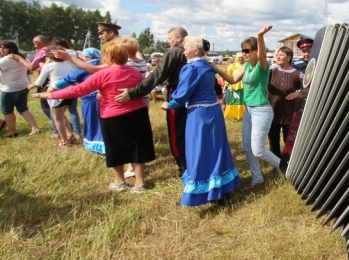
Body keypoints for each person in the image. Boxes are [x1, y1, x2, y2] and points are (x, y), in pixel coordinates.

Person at [36, 42, 154, 192]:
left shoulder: (103, 74)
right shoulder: (134, 72)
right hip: (138, 113)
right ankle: (140, 183)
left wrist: (50, 94)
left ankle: (119, 183)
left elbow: (78, 90)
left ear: (110, 57)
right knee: (137, 148)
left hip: (113, 116)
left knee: (115, 148)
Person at [161, 36, 240, 206]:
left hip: (199, 114)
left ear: (196, 51)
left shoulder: (192, 68)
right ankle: (222, 189)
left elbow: (182, 94)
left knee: (200, 151)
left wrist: (169, 104)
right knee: (216, 148)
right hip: (213, 111)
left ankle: (208, 192)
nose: (183, 51)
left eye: (186, 48)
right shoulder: (207, 66)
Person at [212, 25, 284, 188]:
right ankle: (257, 178)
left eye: (247, 50)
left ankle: (283, 166)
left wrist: (260, 36)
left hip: (262, 111)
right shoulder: (245, 67)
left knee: (258, 150)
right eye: (242, 50)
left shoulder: (262, 65)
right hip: (249, 110)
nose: (244, 53)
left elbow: (262, 55)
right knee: (247, 147)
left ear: (255, 51)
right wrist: (215, 69)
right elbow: (232, 79)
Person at [115, 27, 188, 175]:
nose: (168, 42)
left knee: (177, 133)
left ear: (178, 38)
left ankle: (183, 167)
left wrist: (133, 92)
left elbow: (157, 76)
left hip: (177, 94)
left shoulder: (174, 52)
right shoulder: (195, 51)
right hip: (193, 97)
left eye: (169, 38)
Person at [53, 47, 105, 154]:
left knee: (92, 121)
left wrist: (53, 86)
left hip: (90, 98)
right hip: (104, 97)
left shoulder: (84, 66)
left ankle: (96, 145)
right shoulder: (103, 64)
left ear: (87, 57)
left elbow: (68, 79)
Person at [27, 46, 76, 147]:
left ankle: (64, 141)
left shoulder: (48, 66)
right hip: (70, 93)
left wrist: (30, 86)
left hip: (55, 93)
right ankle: (70, 135)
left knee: (57, 118)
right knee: (62, 115)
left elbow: (39, 82)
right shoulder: (68, 64)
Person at [0, 41, 41, 137]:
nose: (1, 50)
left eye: (4, 48)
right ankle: (35, 127)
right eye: (1, 48)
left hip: (10, 88)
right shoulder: (22, 57)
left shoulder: (6, 59)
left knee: (7, 110)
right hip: (23, 86)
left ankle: (12, 130)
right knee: (23, 108)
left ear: (10, 48)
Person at [267, 46, 302, 158]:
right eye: (277, 54)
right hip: (272, 112)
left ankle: (287, 163)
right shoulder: (271, 72)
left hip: (289, 114)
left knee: (289, 141)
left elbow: (310, 85)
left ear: (289, 57)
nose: (278, 56)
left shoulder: (297, 74)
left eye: (281, 54)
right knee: (273, 140)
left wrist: (298, 93)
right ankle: (276, 163)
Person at [223, 52, 246, 120]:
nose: (241, 59)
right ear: (236, 58)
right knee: (234, 100)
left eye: (242, 57)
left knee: (242, 100)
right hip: (234, 87)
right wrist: (228, 85)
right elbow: (228, 75)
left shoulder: (247, 65)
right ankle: (233, 115)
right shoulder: (232, 66)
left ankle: (242, 114)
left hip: (244, 87)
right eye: (239, 58)